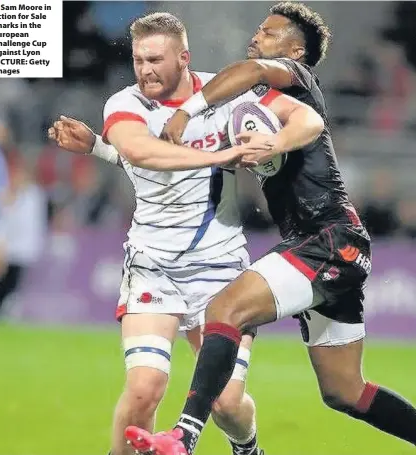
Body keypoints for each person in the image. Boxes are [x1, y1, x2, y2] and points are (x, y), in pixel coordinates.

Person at [124, 3, 416, 454]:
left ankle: (183, 435)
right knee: (344, 391)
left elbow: (292, 106)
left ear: (295, 51)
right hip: (323, 244)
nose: (257, 36)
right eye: (259, 30)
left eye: (269, 32)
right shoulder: (256, 103)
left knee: (225, 308)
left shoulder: (296, 79)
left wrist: (193, 111)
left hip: (330, 238)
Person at [48, 11, 324, 455]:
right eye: (138, 60)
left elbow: (308, 120)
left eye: (156, 59)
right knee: (143, 389)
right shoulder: (126, 103)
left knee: (227, 402)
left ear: (184, 58)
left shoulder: (228, 93)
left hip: (221, 271)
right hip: (153, 264)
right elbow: (142, 153)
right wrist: (223, 155)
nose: (145, 70)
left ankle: (248, 447)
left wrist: (270, 145)